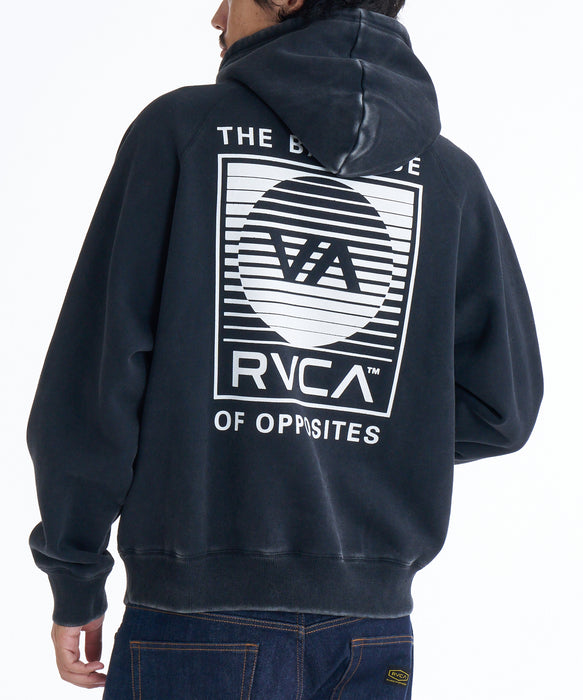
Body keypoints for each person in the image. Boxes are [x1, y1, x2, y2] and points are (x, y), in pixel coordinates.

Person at [27, 0, 543, 697]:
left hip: (197, 619)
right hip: (373, 634)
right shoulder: (448, 178)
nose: (216, 17)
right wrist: (370, 436)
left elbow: (93, 385)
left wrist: (75, 574)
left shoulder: (182, 134)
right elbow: (502, 408)